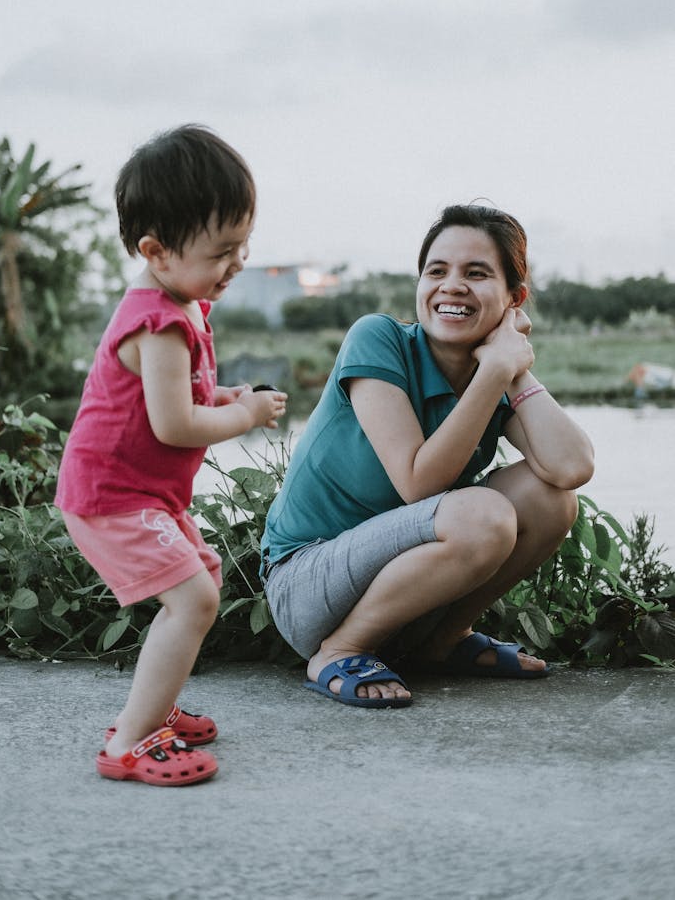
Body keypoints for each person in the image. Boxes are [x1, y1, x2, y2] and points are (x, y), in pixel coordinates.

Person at [260, 203, 594, 707]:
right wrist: (494, 373)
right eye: (436, 271)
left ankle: (444, 642)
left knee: (552, 500)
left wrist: (513, 368)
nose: (452, 286)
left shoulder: (492, 376)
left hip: (401, 591)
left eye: (477, 274)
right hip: (307, 584)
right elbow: (418, 484)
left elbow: (571, 468)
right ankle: (339, 651)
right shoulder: (378, 338)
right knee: (483, 516)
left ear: (514, 299)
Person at [55, 125, 287, 783]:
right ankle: (129, 742)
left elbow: (180, 393)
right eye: (222, 250)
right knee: (193, 597)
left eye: (242, 244)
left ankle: (154, 704)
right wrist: (241, 414)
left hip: (136, 493)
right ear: (156, 251)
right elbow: (175, 423)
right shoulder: (160, 322)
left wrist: (223, 391)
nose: (237, 262)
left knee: (201, 581)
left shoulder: (177, 304)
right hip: (111, 497)